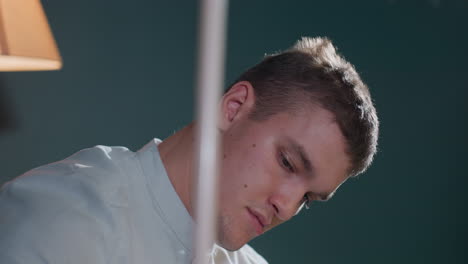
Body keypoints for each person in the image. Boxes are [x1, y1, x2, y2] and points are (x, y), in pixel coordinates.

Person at [0, 37, 379, 264]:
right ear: (233, 109)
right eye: (287, 161)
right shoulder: (65, 218)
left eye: (309, 198)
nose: (288, 206)